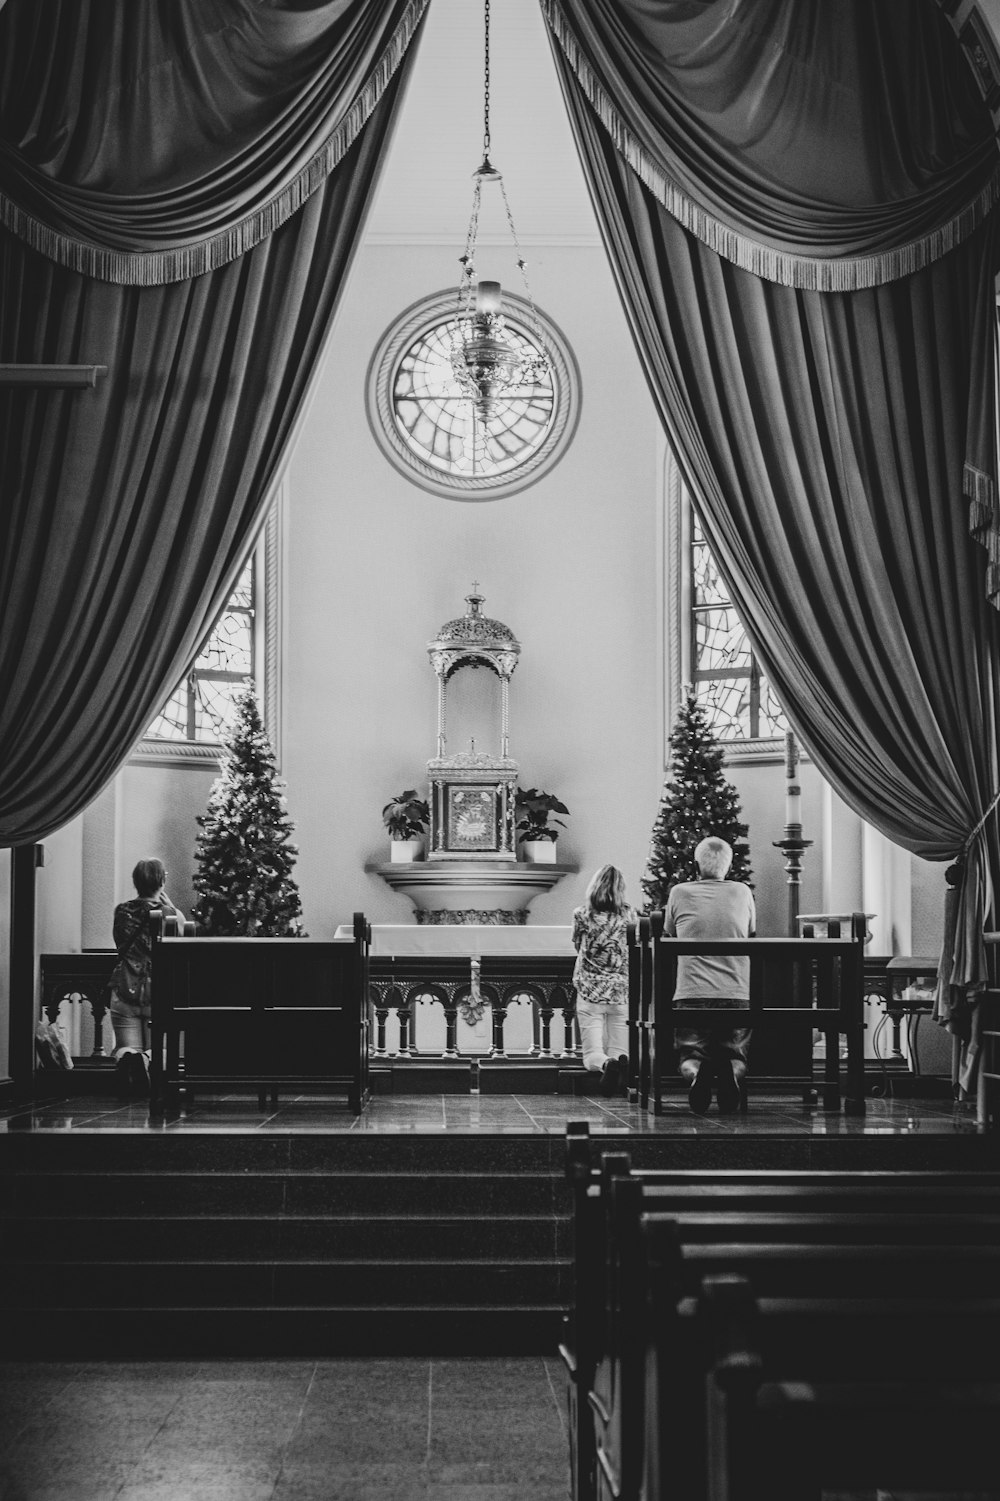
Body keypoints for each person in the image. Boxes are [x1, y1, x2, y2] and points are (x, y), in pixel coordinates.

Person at [664, 836, 756, 1115]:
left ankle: (696, 1074)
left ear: (697, 864)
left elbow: (669, 932)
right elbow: (751, 930)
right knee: (736, 1054)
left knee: (690, 1053)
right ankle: (730, 1071)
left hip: (692, 993)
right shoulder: (742, 892)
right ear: (728, 866)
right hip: (735, 992)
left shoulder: (679, 892)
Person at [108, 858, 184, 1097]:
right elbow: (183, 942)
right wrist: (172, 907)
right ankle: (150, 1069)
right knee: (160, 1048)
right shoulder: (169, 914)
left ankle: (133, 1060)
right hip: (158, 990)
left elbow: (119, 943)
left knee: (125, 1047)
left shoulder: (121, 911)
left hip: (125, 988)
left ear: (135, 881)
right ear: (162, 881)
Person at [572, 865, 636, 1097]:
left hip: (590, 991)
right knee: (621, 1051)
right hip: (621, 992)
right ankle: (620, 1074)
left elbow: (578, 946)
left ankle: (606, 1065)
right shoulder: (630, 915)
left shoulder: (581, 914)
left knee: (591, 1055)